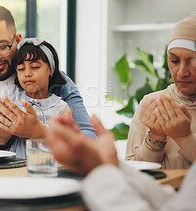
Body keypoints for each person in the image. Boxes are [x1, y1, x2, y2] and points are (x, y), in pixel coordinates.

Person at [0, 5, 95, 152]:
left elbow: (91, 140)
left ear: (17, 40)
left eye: (2, 46)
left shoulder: (56, 80)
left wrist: (38, 132)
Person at [46, 109, 196, 210]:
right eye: (175, 60)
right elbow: (175, 204)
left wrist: (96, 167)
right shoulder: (149, 104)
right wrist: (111, 165)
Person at [126, 14, 196, 169]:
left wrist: (185, 137)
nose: (182, 72)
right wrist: (155, 139)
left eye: (192, 61)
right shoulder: (152, 104)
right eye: (174, 60)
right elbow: (132, 174)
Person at [0, 37, 69, 157]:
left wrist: (31, 132)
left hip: (44, 171)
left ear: (50, 70)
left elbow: (66, 148)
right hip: (12, 171)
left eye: (35, 67)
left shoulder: (61, 108)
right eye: (21, 69)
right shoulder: (11, 102)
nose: (27, 73)